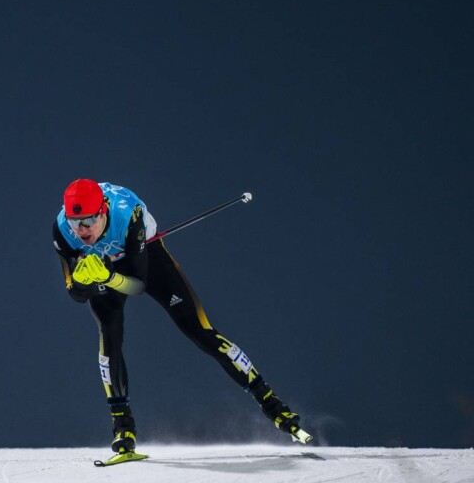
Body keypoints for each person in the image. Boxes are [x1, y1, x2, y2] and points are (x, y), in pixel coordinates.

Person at [52, 179, 309, 454]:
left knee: (199, 330)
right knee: (109, 333)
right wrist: (83, 283)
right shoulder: (62, 229)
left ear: (103, 210)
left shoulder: (129, 214)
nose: (81, 229)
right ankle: (122, 426)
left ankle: (271, 403)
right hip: (103, 267)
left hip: (144, 255)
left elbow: (138, 284)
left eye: (89, 220)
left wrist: (108, 276)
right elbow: (76, 295)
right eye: (75, 220)